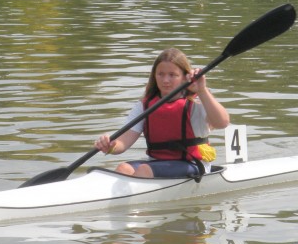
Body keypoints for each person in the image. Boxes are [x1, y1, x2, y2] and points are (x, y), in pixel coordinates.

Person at [94, 48, 230, 178]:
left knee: (144, 170)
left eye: (172, 75)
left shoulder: (197, 101)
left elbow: (223, 123)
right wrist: (110, 146)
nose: (165, 80)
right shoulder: (144, 106)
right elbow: (123, 143)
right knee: (123, 168)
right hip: (157, 164)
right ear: (155, 76)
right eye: (161, 74)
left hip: (194, 164)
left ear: (184, 77)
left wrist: (202, 90)